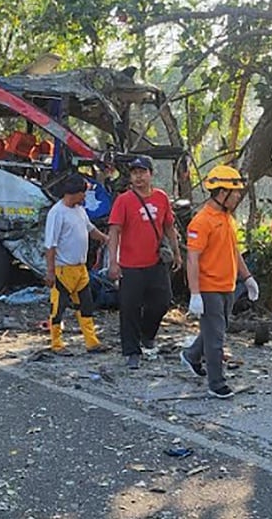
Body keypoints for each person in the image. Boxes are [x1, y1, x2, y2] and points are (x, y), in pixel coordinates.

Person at [180, 165, 259, 399]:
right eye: (234, 193)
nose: (237, 197)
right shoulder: (201, 221)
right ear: (221, 192)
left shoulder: (227, 218)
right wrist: (195, 294)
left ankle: (191, 355)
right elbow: (192, 259)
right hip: (208, 288)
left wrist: (247, 277)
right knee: (216, 339)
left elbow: (233, 251)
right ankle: (216, 382)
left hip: (228, 286)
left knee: (215, 329)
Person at [107, 155, 183, 369]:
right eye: (134, 173)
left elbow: (169, 227)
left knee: (163, 301)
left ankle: (147, 334)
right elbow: (114, 231)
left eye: (142, 172)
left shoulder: (161, 198)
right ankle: (131, 351)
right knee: (129, 307)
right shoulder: (124, 200)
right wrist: (114, 262)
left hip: (156, 261)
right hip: (130, 264)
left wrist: (177, 253)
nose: (138, 177)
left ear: (151, 174)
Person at [45, 174, 111, 355]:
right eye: (84, 193)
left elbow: (90, 229)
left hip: (80, 269)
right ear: (75, 193)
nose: (85, 197)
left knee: (86, 306)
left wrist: (105, 238)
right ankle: (56, 344)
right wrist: (50, 272)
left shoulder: (79, 210)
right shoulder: (57, 213)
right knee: (58, 308)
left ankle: (92, 342)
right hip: (63, 270)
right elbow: (50, 245)